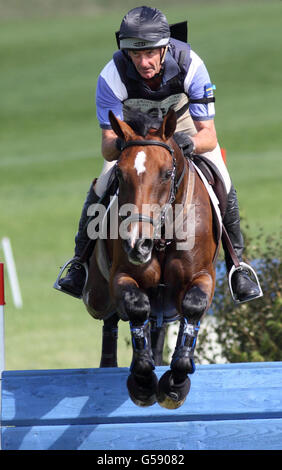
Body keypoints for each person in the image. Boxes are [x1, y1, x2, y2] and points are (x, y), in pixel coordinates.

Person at [57, 6, 261, 303]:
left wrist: (186, 144)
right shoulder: (111, 75)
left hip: (183, 127)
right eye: (136, 55)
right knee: (102, 185)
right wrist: (129, 147)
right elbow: (107, 144)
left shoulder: (191, 64)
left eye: (150, 53)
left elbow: (209, 135)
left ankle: (237, 267)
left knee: (224, 182)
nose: (143, 62)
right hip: (133, 138)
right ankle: (79, 263)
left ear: (165, 48)